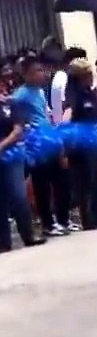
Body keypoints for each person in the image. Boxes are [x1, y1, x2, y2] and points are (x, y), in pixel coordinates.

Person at [11, 56, 73, 236]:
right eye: (36, 71)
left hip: (50, 139)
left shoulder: (40, 92)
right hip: (36, 144)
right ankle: (48, 223)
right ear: (26, 74)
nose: (41, 75)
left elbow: (47, 115)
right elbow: (18, 120)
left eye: (42, 70)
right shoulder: (20, 96)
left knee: (61, 181)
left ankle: (63, 219)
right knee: (42, 185)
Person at [61, 57, 97, 230]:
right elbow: (66, 118)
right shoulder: (73, 96)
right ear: (79, 76)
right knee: (87, 183)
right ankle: (89, 220)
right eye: (87, 74)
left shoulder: (90, 93)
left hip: (96, 142)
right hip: (81, 147)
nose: (91, 77)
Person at [0, 93, 43, 251]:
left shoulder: (11, 104)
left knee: (18, 195)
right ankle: (3, 242)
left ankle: (28, 234)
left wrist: (2, 146)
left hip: (11, 154)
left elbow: (18, 131)